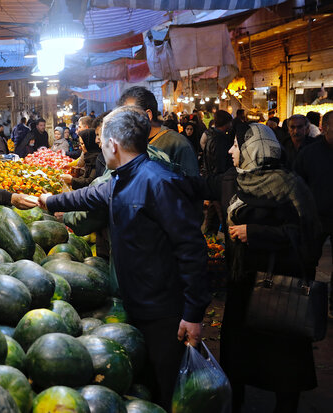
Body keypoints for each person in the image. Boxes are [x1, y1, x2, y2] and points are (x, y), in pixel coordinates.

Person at [39, 106, 210, 411]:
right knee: (146, 388)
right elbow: (88, 197)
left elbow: (192, 249)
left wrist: (194, 313)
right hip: (136, 306)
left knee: (168, 391)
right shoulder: (120, 178)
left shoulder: (159, 182)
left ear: (113, 145)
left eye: (102, 141)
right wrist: (47, 201)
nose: (101, 146)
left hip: (164, 312)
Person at [221, 123, 319, 413]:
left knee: (282, 362)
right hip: (243, 285)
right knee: (238, 356)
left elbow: (306, 236)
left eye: (237, 146)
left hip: (280, 289)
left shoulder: (289, 185)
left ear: (254, 150)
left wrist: (256, 233)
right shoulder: (236, 180)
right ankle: (235, 403)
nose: (231, 151)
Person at [295, 110, 333, 315]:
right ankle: (306, 300)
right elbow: (298, 184)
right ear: (324, 127)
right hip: (315, 217)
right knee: (308, 260)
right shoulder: (310, 153)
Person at [118, 86, 199, 177]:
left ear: (147, 115)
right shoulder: (127, 144)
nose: (123, 121)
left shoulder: (177, 143)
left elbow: (193, 185)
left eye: (128, 115)